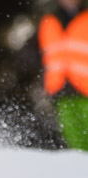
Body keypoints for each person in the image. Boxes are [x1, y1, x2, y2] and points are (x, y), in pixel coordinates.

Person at [38, 0, 88, 150]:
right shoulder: (49, 20)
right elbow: (36, 49)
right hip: (60, 87)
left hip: (85, 88)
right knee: (74, 141)